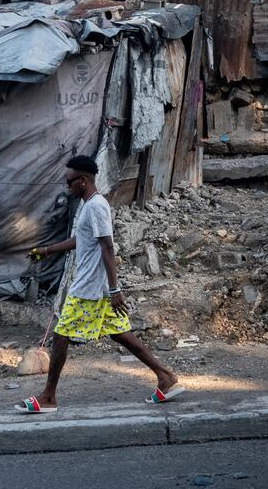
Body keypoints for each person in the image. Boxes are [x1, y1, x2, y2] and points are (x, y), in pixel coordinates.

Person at [15, 155, 183, 413]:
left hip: (90, 288)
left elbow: (107, 245)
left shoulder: (96, 206)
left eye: (69, 181)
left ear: (83, 180)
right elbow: (81, 241)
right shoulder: (88, 205)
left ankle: (48, 397)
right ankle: (165, 376)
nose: (66, 185)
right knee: (121, 334)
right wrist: (46, 250)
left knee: (61, 336)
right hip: (97, 288)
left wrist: (115, 289)